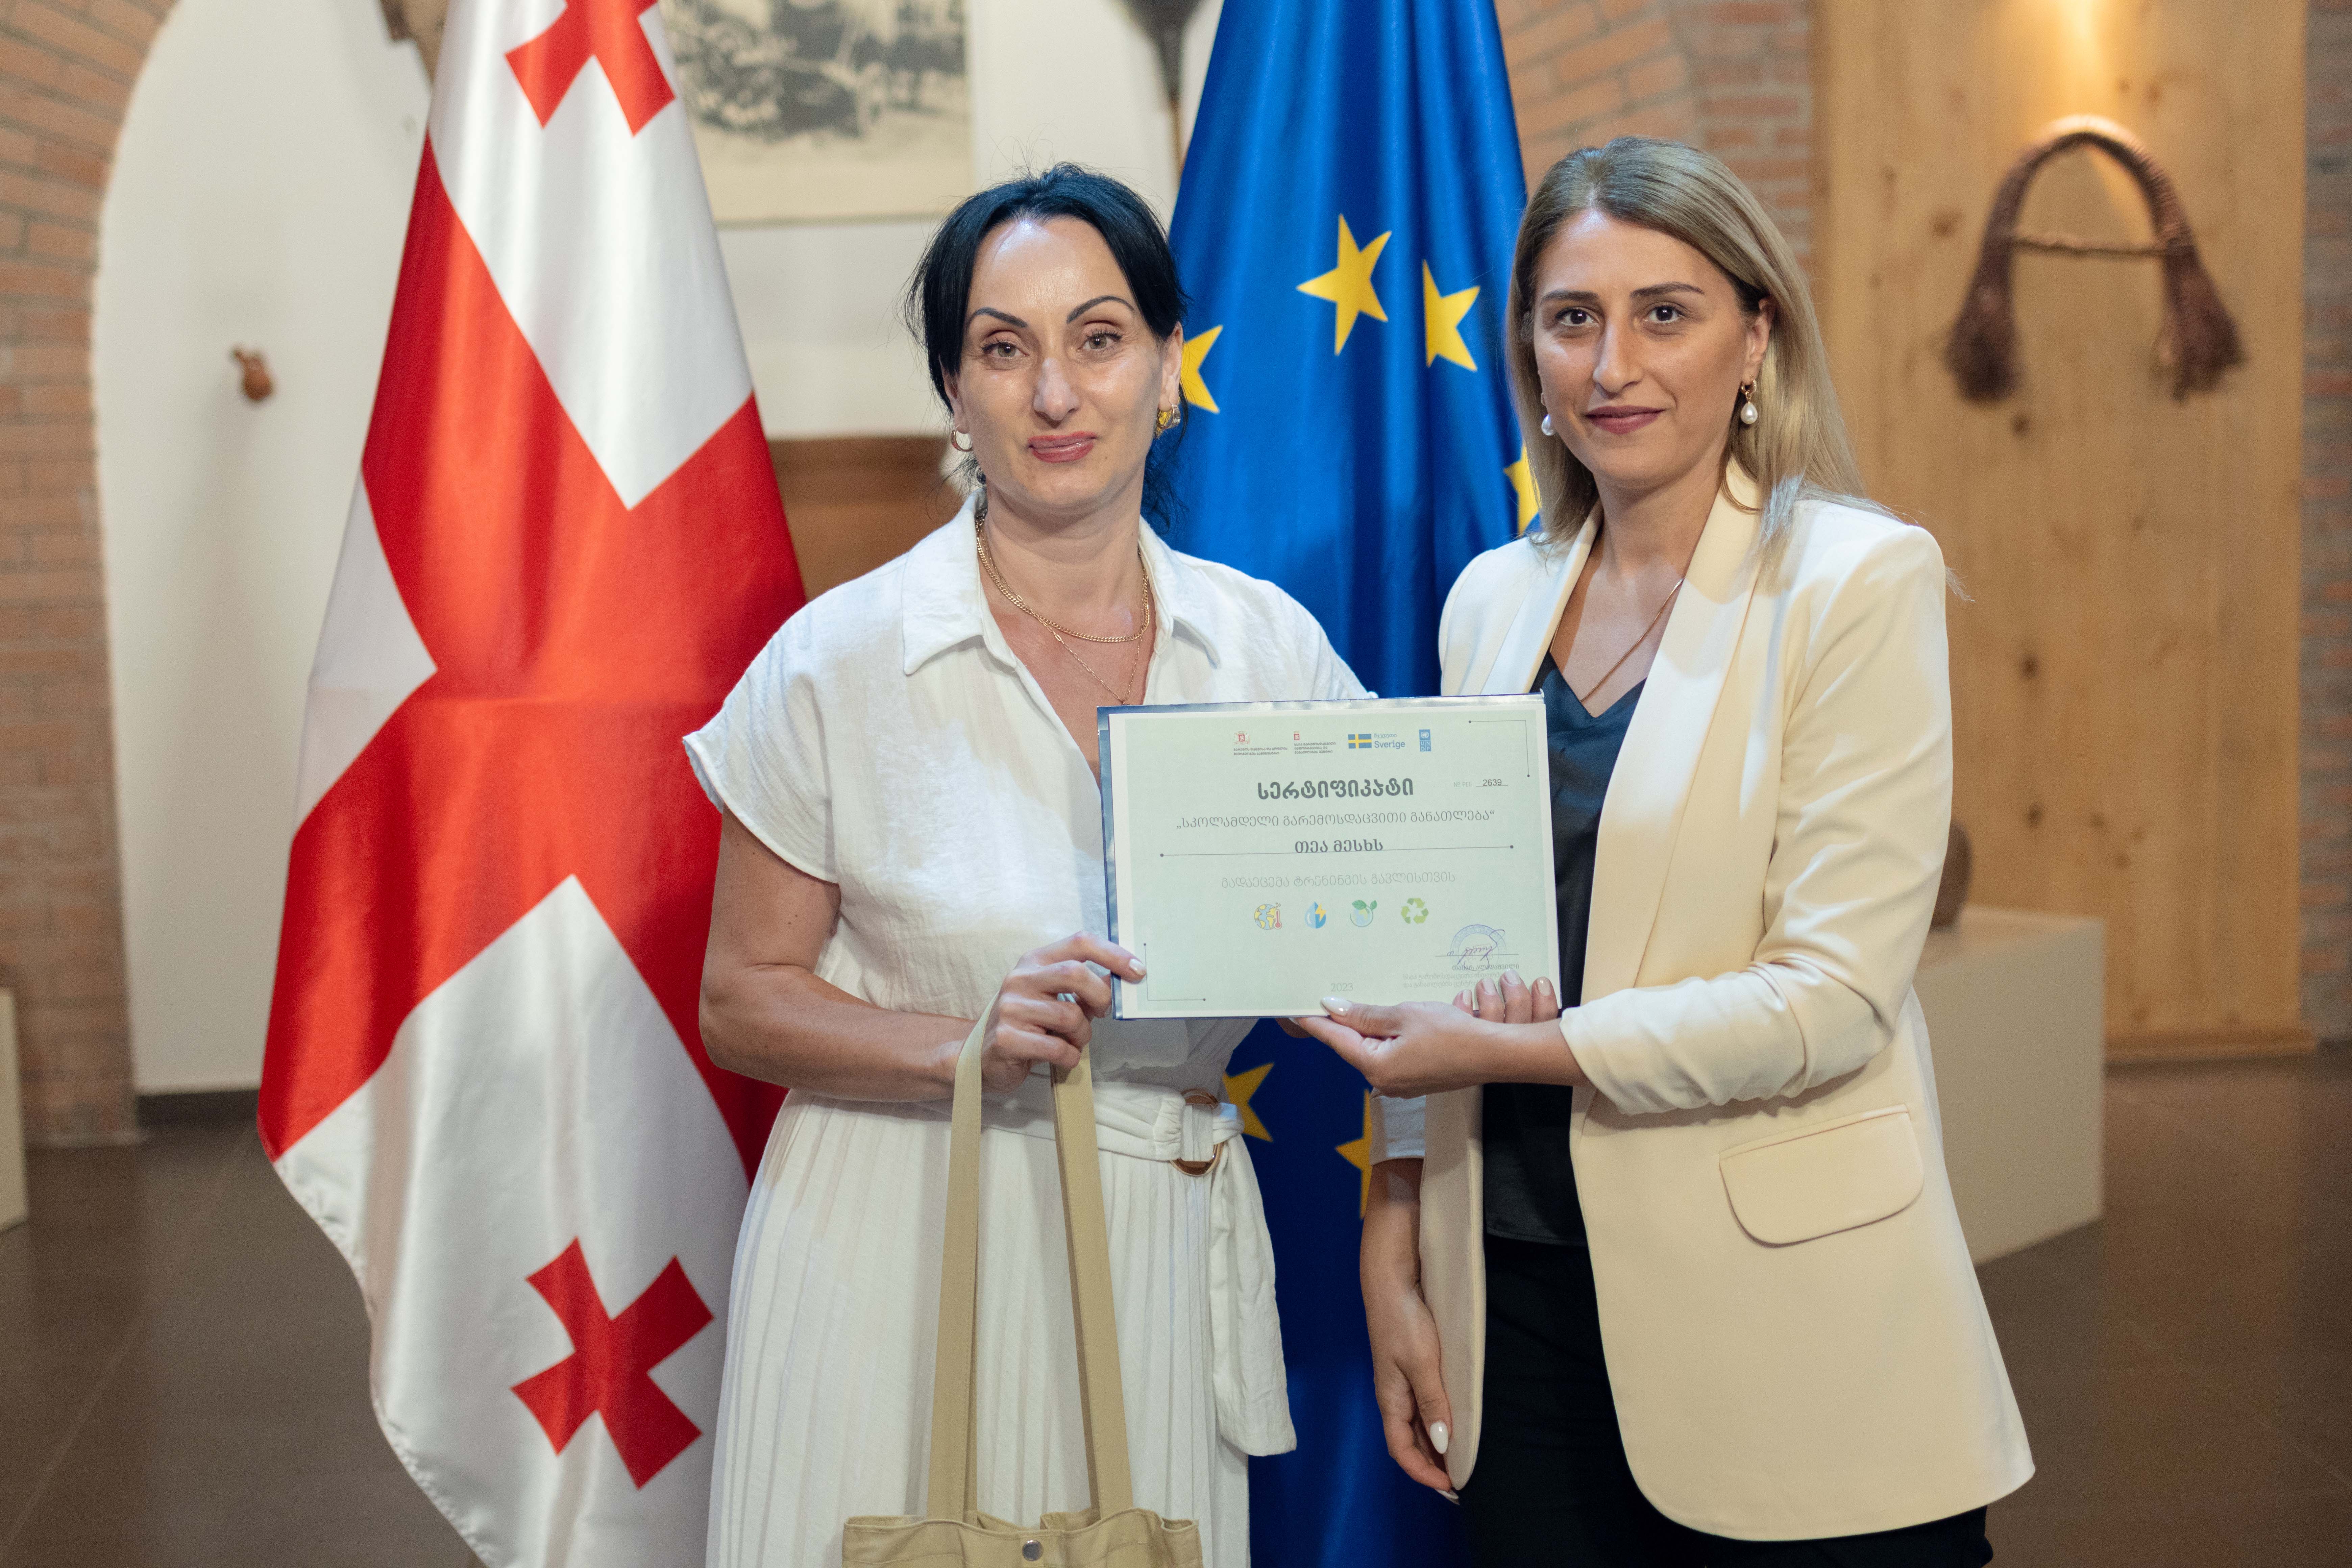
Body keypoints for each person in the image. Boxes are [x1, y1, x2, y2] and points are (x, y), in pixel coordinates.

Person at [1294, 138, 2033, 1565]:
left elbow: (1831, 1001)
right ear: (1530, 350)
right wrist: (1396, 1237)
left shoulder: (1857, 578)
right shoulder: (1489, 602)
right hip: (1512, 1295)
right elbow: (1435, 952)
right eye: (1573, 317)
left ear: (1756, 337)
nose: (1613, 364)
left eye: (1665, 313)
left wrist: (1514, 1050)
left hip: (1791, 1316)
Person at [686, 164, 1362, 1568]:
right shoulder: (836, 660)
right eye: (1004, 349)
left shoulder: (1270, 650)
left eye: (1099, 339)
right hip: (897, 1242)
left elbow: (1375, 934)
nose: (1056, 392)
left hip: (1159, 1241)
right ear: (955, 391)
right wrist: (964, 1046)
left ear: (1167, 366)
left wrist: (1441, 975)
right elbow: (741, 999)